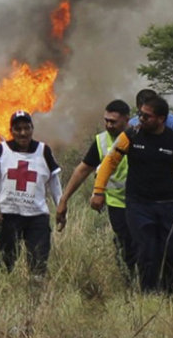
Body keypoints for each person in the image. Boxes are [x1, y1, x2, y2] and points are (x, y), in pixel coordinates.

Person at [91, 95, 173, 294]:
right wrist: (98, 191)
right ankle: (149, 293)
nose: (141, 119)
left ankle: (168, 290)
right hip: (139, 204)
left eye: (146, 116)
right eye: (140, 115)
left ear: (161, 119)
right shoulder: (131, 135)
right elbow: (109, 162)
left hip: (169, 203)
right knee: (148, 249)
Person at [55, 100, 136, 281]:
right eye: (106, 120)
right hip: (117, 203)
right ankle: (131, 284)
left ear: (126, 120)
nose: (108, 125)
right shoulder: (101, 141)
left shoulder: (139, 137)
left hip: (141, 202)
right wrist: (64, 199)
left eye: (113, 121)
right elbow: (82, 170)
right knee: (126, 245)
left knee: (144, 243)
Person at [0, 110, 63, 277]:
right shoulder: (1, 150)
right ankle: (5, 296)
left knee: (39, 263)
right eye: (18, 129)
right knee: (5, 264)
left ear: (32, 129)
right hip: (8, 216)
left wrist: (60, 206)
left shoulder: (43, 151)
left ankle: (36, 297)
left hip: (37, 216)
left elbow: (54, 181)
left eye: (26, 128)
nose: (23, 133)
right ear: (11, 131)